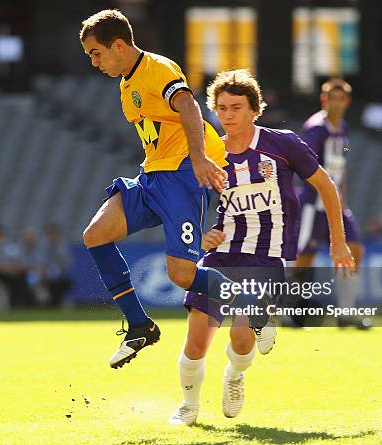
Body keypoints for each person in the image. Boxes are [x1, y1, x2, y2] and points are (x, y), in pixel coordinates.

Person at [168, 69, 355, 425]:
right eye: (221, 108)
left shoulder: (282, 144)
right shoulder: (210, 153)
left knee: (241, 339)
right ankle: (189, 405)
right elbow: (196, 208)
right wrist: (204, 235)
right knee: (196, 341)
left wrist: (338, 240)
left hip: (265, 255)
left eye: (236, 107)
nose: (228, 114)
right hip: (220, 256)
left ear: (255, 109)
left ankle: (234, 376)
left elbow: (326, 186)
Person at [80, 10, 248, 369]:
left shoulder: (158, 68)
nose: (94, 62)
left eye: (96, 52)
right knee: (95, 235)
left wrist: (200, 158)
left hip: (184, 173)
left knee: (181, 275)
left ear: (119, 46)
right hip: (154, 175)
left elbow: (187, 103)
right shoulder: (127, 84)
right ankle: (140, 325)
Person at [295, 79, 369, 329]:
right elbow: (306, 168)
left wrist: (342, 201)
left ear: (347, 101)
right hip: (314, 205)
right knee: (303, 257)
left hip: (336, 204)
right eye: (330, 98)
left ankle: (346, 311)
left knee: (355, 250)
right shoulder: (316, 128)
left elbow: (341, 167)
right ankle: (288, 311)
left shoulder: (343, 128)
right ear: (323, 100)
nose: (335, 103)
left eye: (340, 98)